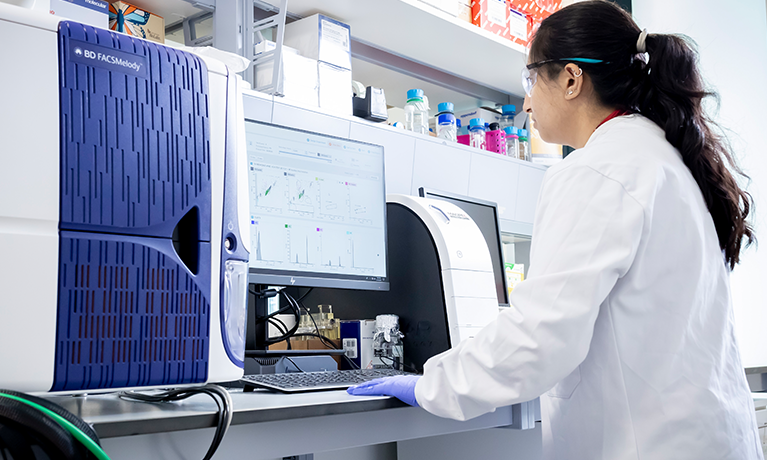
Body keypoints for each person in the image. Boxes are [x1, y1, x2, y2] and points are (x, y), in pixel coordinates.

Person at [347, 1, 763, 458]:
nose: (525, 101)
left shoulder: (598, 169)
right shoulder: (663, 158)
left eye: (530, 79)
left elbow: (538, 340)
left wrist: (433, 384)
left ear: (570, 78)